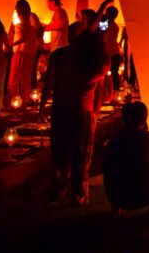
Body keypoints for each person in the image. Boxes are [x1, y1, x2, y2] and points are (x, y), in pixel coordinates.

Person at [42, 28, 108, 205]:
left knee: (60, 151)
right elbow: (100, 80)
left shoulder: (60, 55)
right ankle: (78, 193)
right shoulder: (93, 60)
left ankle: (59, 187)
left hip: (61, 107)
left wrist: (42, 104)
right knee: (81, 153)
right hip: (81, 111)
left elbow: (49, 80)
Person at [104, 102, 149, 216]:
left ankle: (115, 208)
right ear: (144, 118)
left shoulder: (114, 140)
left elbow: (107, 167)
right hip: (143, 196)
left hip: (117, 196)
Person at [8, 0, 39, 107]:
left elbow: (22, 37)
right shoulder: (31, 27)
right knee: (26, 78)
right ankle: (24, 101)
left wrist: (10, 45)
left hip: (21, 52)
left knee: (14, 78)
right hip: (30, 53)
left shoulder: (20, 25)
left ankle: (16, 100)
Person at [103, 6, 122, 91]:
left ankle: (108, 92)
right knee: (114, 73)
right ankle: (115, 91)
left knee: (106, 73)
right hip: (114, 52)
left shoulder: (107, 25)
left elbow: (105, 39)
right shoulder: (115, 26)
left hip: (107, 52)